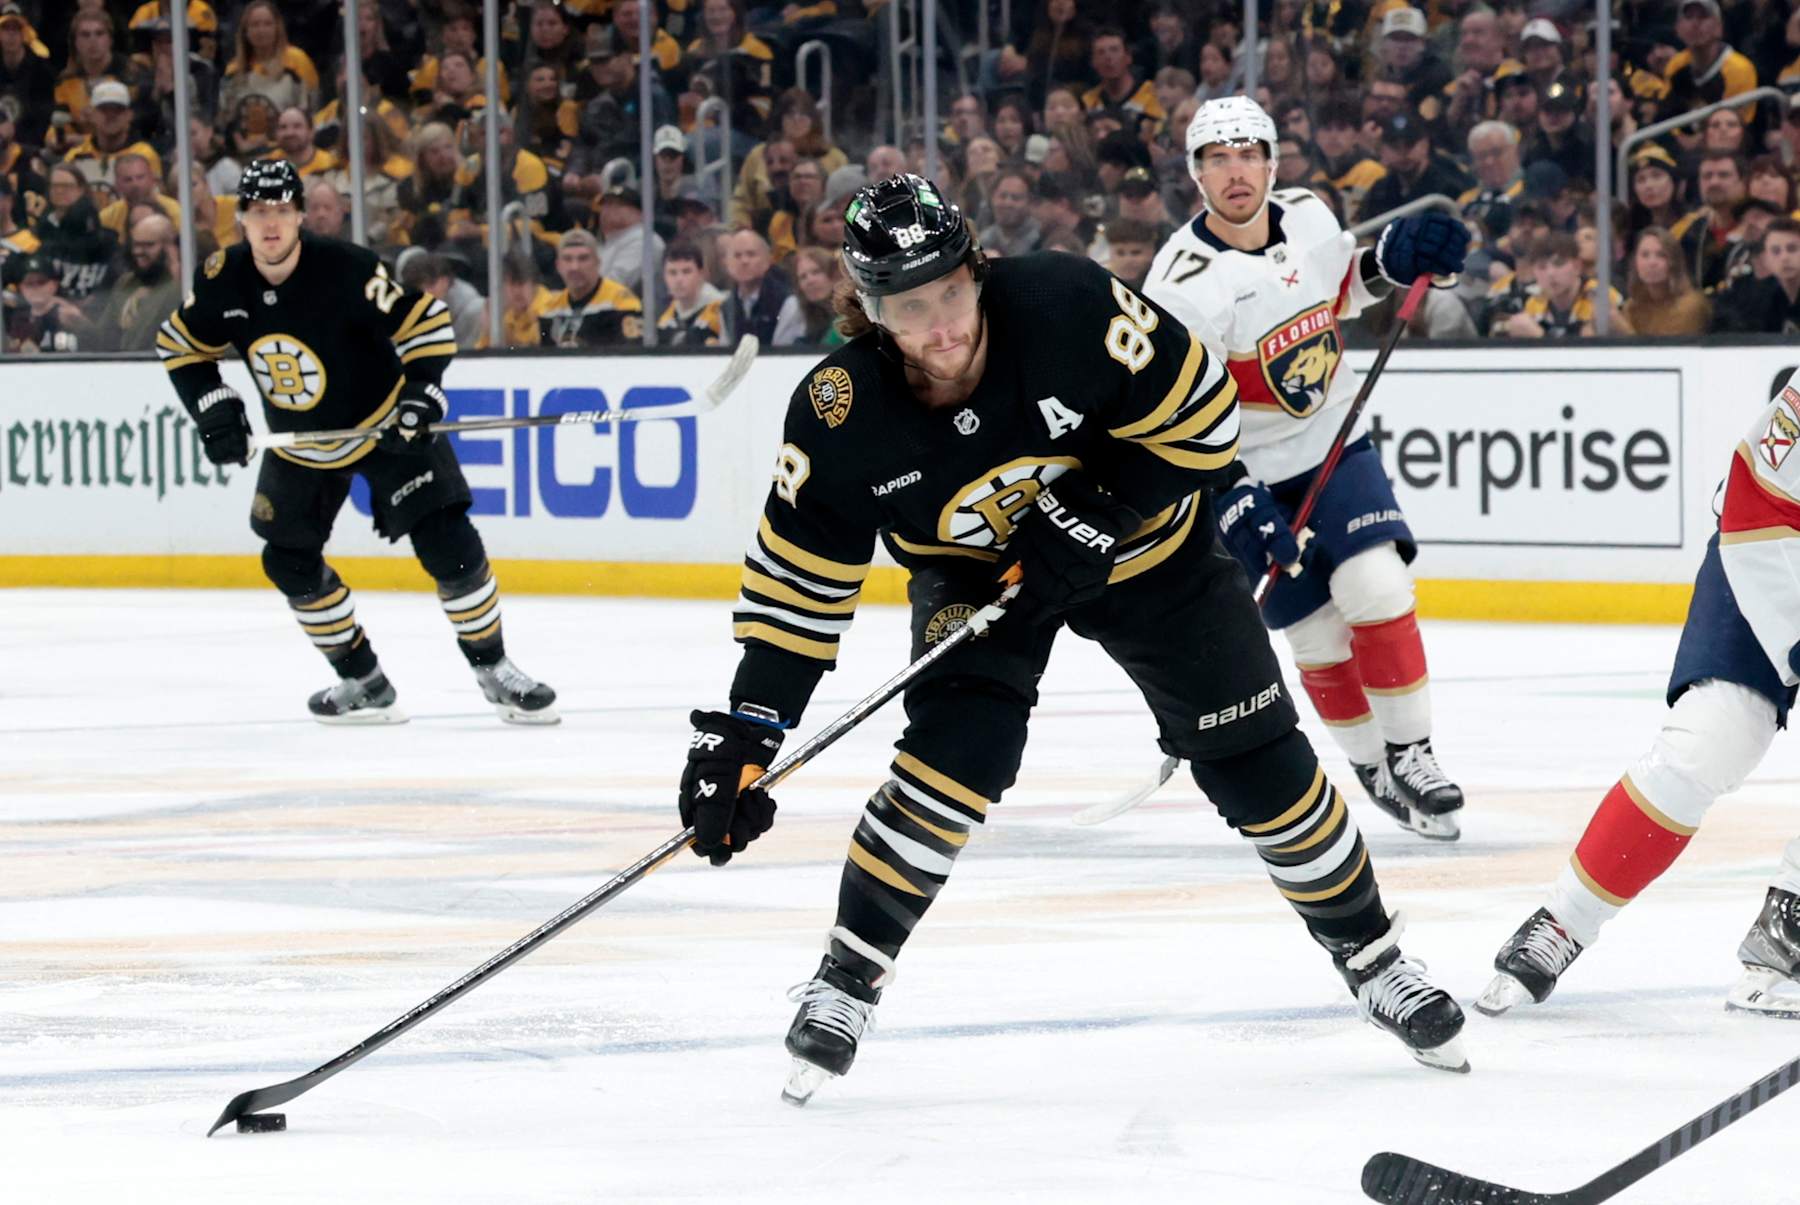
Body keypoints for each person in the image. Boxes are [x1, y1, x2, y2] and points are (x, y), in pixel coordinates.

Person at [678, 173, 1467, 1107]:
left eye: (950, 294)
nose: (940, 328)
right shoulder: (837, 412)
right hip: (981, 583)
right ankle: (845, 979)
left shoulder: (1065, 300)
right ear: (867, 308)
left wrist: (1099, 506)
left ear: (977, 270)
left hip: (1151, 552)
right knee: (953, 758)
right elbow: (799, 590)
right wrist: (747, 730)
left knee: (1256, 757)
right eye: (907, 307)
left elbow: (1207, 416)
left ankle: (1373, 957)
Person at [1145, 97, 1472, 841]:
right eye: (1217, 158)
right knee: (1319, 638)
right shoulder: (1182, 283)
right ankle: (1370, 764)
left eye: (1249, 153)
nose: (1236, 172)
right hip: (1248, 476)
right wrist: (1226, 494)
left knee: (1377, 582)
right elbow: (1167, 411)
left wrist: (1394, 259)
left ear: (1272, 161)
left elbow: (1342, 291)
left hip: (1332, 441)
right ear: (1196, 174)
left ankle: (1413, 750)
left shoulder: (1309, 215)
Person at [157, 159, 558, 725]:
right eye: (258, 212)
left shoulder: (347, 269)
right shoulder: (223, 278)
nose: (270, 224)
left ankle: (494, 668)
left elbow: (425, 326)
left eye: (281, 211)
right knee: (288, 560)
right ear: (240, 219)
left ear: (299, 215)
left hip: (384, 426)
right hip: (302, 443)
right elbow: (180, 347)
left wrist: (421, 395)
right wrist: (214, 406)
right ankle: (362, 680)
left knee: (449, 541)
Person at [1477, 375, 1800, 1021]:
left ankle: (1788, 926)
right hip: (1767, 555)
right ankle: (1564, 922)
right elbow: (1759, 501)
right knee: (1708, 742)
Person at [538, 227, 643, 346]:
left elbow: (632, 355)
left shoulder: (622, 302)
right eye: (567, 259)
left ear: (598, 263)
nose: (575, 267)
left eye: (583, 258)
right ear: (558, 265)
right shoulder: (549, 308)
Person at [91, 210, 178, 350]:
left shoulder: (182, 286)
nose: (138, 252)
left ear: (170, 247)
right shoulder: (125, 284)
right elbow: (104, 338)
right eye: (136, 245)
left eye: (148, 245)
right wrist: (78, 323)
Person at [1622, 226, 1710, 335]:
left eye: (1661, 255)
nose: (1652, 263)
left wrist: (1620, 325)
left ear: (1674, 262)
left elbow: (1667, 350)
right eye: (1645, 255)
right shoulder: (1631, 307)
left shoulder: (1692, 306)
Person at [655, 238, 724, 345]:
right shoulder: (664, 319)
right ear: (664, 276)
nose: (679, 280)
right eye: (672, 273)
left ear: (701, 274)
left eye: (686, 272)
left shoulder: (722, 311)